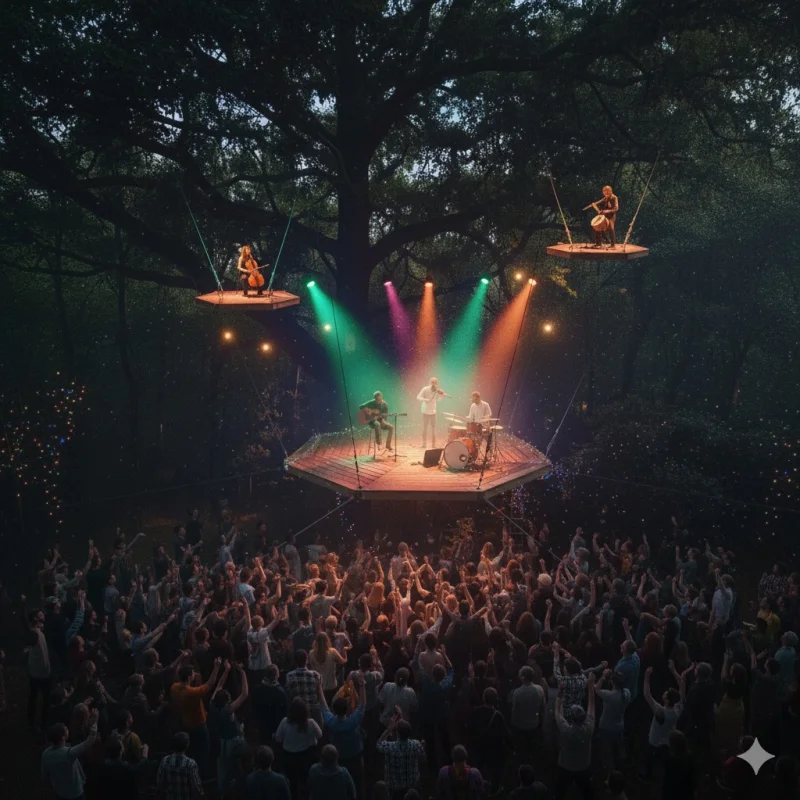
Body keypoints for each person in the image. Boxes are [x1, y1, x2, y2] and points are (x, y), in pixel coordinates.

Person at [170, 657, 223, 776]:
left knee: (190, 749)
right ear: (189, 678)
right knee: (203, 751)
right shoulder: (192, 692)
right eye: (193, 673)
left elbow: (176, 676)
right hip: (199, 725)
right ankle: (202, 775)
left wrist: (181, 660)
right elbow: (210, 683)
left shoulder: (174, 688)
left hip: (185, 723)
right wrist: (217, 667)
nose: (195, 674)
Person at [320, 673, 366, 800]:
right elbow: (362, 705)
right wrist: (362, 685)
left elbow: (323, 706)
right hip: (355, 755)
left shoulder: (330, 722)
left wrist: (319, 689)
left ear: (334, 709)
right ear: (347, 709)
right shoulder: (353, 722)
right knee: (358, 782)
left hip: (339, 756)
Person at [554, 671, 596, 800]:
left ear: (571, 718)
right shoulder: (589, 727)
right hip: (583, 766)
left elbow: (558, 712)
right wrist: (590, 687)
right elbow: (591, 705)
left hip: (565, 765)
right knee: (587, 792)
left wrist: (560, 693)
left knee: (560, 792)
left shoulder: (565, 730)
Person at [41, 709, 99, 800]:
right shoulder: (69, 753)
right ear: (63, 737)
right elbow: (89, 742)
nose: (68, 730)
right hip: (75, 793)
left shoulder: (45, 754)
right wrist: (94, 723)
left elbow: (45, 775)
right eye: (66, 730)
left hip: (59, 791)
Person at [275, 697, 323, 797]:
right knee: (307, 781)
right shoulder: (311, 723)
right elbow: (320, 734)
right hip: (307, 756)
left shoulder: (284, 722)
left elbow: (278, 738)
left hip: (289, 757)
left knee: (292, 782)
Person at [376, 717, 425, 799]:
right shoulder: (416, 744)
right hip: (413, 787)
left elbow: (378, 744)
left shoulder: (390, 747)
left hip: (396, 790)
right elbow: (423, 757)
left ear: (397, 733)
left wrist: (389, 729)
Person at [156, 731, 204, 800]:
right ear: (187, 745)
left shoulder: (165, 761)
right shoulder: (190, 764)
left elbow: (159, 785)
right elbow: (197, 788)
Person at [251, 664, 289, 744]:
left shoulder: (257, 690)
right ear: (277, 675)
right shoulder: (281, 692)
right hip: (277, 727)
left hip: (262, 726)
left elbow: (253, 709)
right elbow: (286, 711)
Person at [416, 377, 448, 448]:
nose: (433, 384)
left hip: (433, 412)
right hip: (426, 412)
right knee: (425, 428)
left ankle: (433, 444)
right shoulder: (425, 389)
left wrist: (442, 396)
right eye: (432, 382)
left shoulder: (437, 390)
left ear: (437, 384)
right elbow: (418, 397)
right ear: (429, 382)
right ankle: (424, 444)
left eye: (435, 383)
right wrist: (425, 399)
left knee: (433, 429)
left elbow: (437, 400)